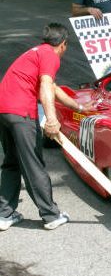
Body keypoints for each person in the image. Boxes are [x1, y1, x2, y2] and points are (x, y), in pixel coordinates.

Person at [0, 23, 95, 231]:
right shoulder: (51, 55)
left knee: (11, 162)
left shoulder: (37, 53)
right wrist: (52, 120)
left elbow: (53, 88)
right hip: (21, 112)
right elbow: (45, 85)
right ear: (63, 44)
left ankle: (4, 214)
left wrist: (79, 106)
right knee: (34, 165)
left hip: (3, 111)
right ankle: (51, 215)